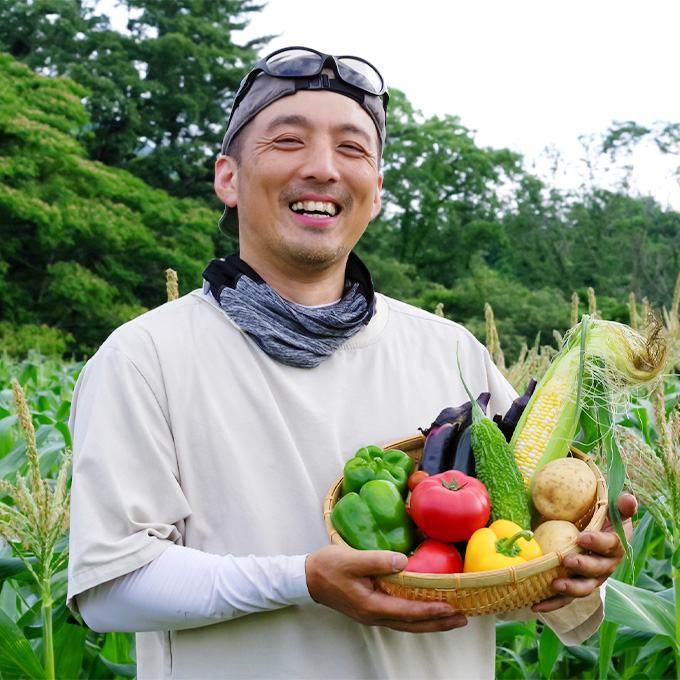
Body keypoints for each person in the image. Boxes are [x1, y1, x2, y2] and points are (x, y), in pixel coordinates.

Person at [67, 46, 635, 680]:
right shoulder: (146, 358)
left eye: (352, 149)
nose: (322, 168)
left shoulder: (449, 353)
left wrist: (575, 570)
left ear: (378, 193)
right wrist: (303, 580)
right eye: (287, 141)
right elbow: (111, 588)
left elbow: (507, 563)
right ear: (227, 178)